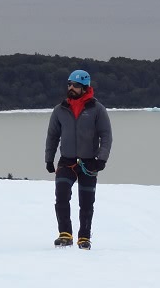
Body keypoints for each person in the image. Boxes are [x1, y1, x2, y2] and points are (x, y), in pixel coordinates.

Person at [45, 69, 112, 250]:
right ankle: (65, 234)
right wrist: (49, 159)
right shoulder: (60, 110)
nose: (71, 88)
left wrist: (102, 159)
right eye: (69, 84)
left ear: (85, 87)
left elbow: (106, 136)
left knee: (86, 202)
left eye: (75, 85)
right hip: (66, 161)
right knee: (61, 196)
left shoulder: (97, 110)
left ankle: (84, 238)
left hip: (89, 163)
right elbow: (52, 136)